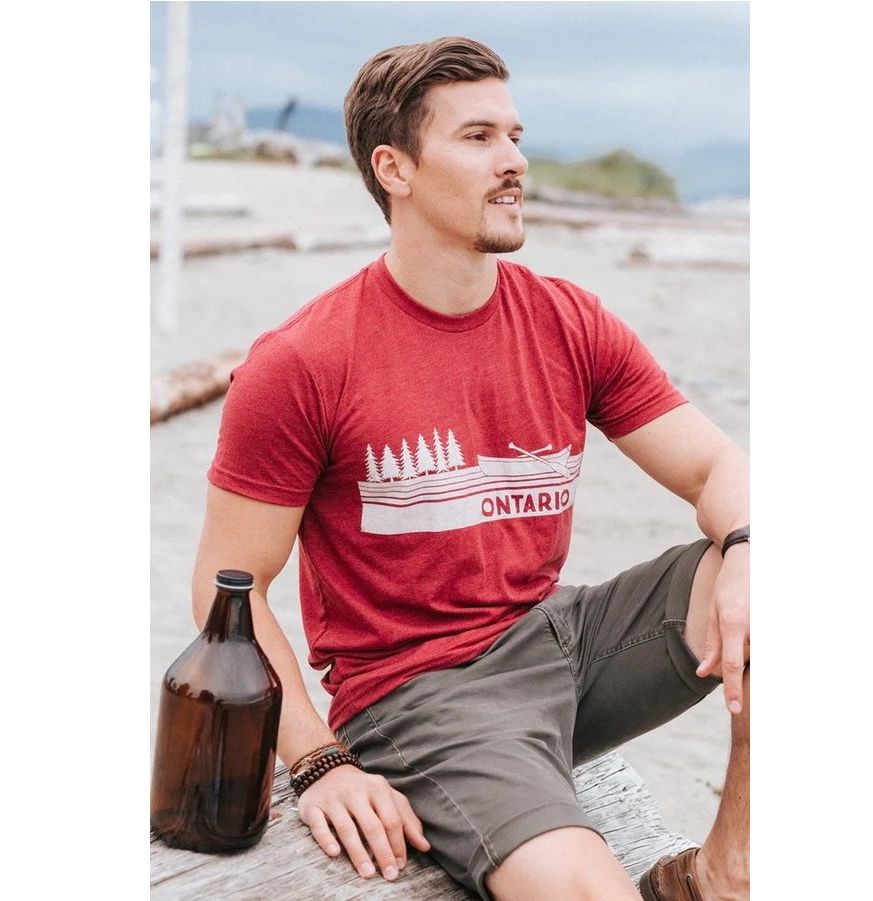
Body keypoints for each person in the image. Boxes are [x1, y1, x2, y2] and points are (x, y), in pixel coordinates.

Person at [192, 36, 749, 901]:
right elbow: (227, 589)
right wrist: (318, 760)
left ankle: (722, 873)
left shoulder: (567, 320)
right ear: (395, 169)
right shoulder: (303, 361)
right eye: (478, 137)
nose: (513, 161)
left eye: (514, 136)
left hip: (560, 640)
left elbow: (714, 464)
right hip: (421, 700)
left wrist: (745, 549)